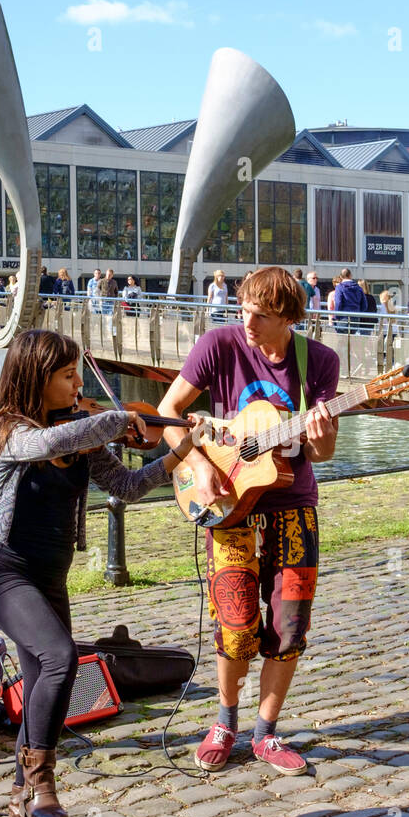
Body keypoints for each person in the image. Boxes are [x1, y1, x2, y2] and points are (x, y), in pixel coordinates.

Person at [0, 329, 206, 817]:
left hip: (50, 580)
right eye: (67, 375)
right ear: (37, 376)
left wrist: (179, 451)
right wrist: (116, 420)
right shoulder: (8, 431)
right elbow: (50, 444)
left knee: (43, 691)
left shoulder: (81, 430)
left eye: (79, 373)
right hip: (3, 572)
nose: (79, 384)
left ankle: (20, 816)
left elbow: (124, 486)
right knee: (60, 661)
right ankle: (45, 788)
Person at [155, 266, 340, 777]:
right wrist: (196, 464)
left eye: (261, 315)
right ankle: (224, 721)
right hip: (228, 501)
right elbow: (169, 410)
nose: (248, 322)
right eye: (244, 310)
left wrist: (323, 429)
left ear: (289, 317)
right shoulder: (219, 344)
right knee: (235, 623)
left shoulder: (319, 361)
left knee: (289, 623)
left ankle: (266, 731)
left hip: (292, 503)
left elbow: (321, 452)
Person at [331, 268, 363, 334]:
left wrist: (336, 316)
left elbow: (338, 303)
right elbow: (364, 304)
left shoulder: (339, 287)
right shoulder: (358, 287)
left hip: (343, 318)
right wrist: (358, 312)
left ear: (341, 277)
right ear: (350, 275)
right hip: (356, 318)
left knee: (341, 340)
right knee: (352, 340)